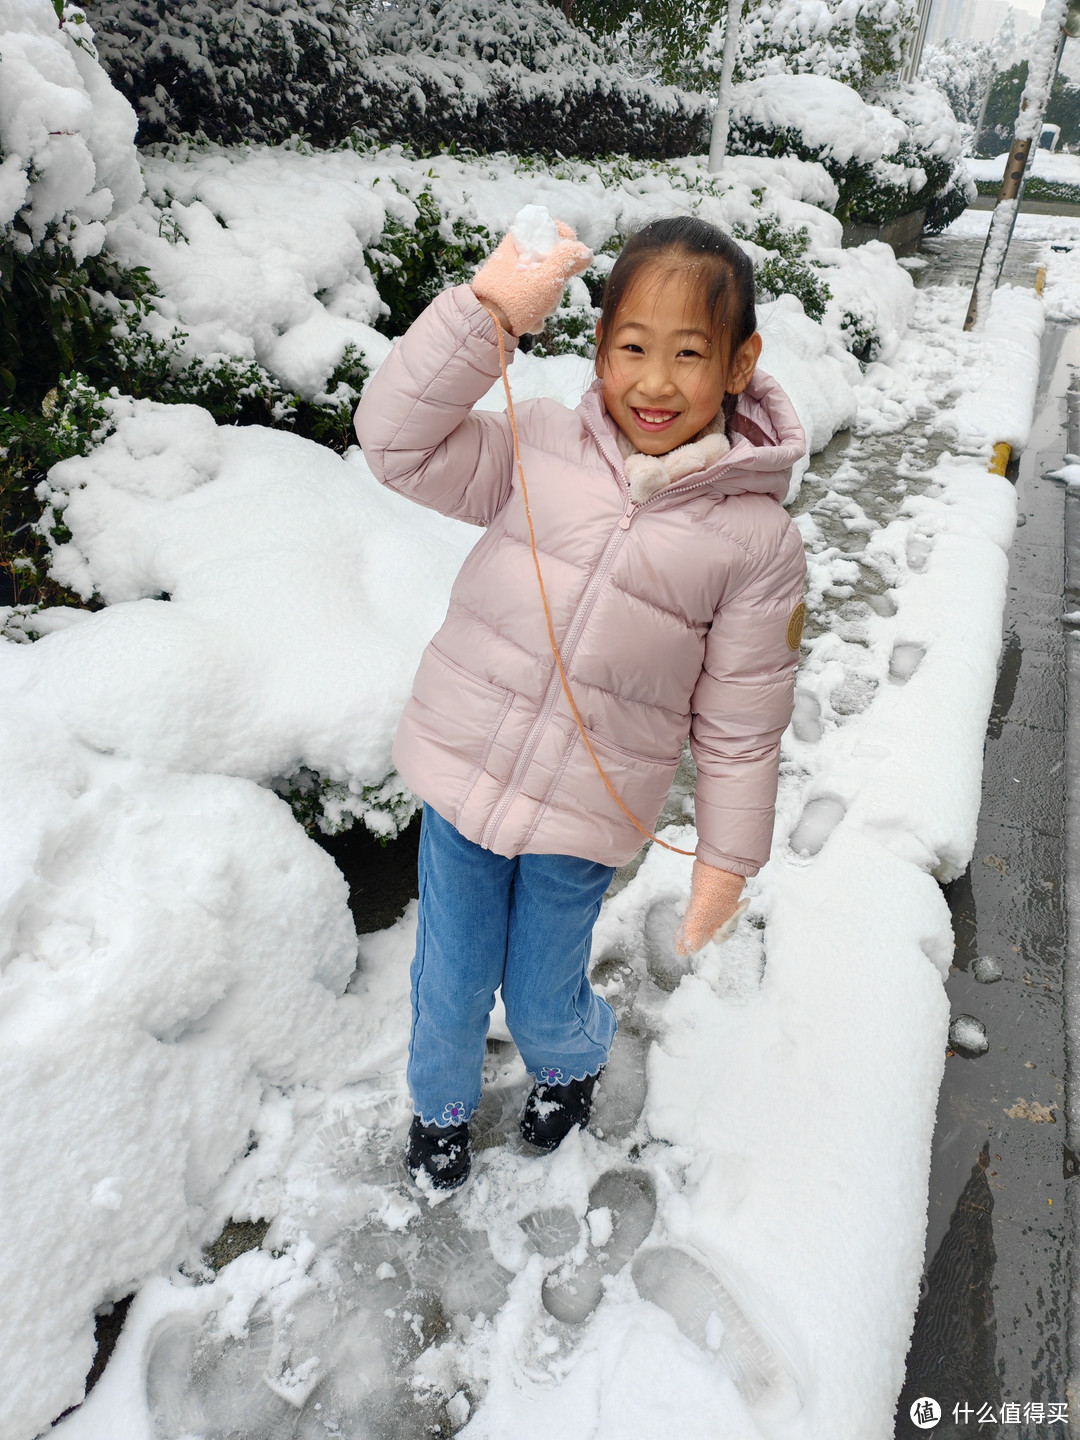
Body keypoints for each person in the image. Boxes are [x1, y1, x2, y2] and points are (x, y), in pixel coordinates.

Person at [353, 214, 807, 1192]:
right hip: (467, 778)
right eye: (629, 347)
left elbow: (742, 720)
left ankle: (572, 1058)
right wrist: (487, 319)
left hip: (587, 819)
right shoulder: (542, 448)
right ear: (597, 350)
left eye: (688, 353)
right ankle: (439, 1116)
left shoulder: (755, 543)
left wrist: (729, 857)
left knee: (544, 991)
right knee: (450, 980)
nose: (653, 380)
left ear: (740, 364)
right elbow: (394, 444)